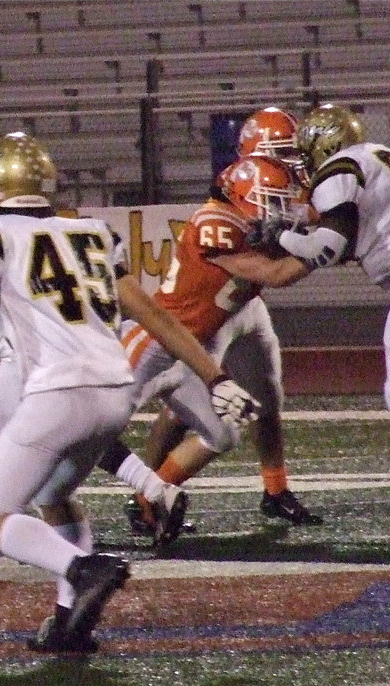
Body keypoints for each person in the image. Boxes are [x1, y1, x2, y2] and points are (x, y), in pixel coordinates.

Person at [0, 132, 259, 652]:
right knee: (55, 495)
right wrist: (215, 377)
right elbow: (154, 316)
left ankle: (82, 569)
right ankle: (68, 620)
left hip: (55, 390)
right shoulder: (89, 231)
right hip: (113, 390)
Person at [0, 143, 191, 548]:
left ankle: (69, 564)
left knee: (10, 504)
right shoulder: (63, 226)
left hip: (22, 364)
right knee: (67, 459)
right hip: (89, 362)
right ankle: (153, 490)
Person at [126, 139, 323, 534]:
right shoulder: (216, 223)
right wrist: (324, 249)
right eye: (272, 200)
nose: (280, 209)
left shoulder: (247, 217)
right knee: (90, 427)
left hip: (191, 352)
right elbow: (273, 273)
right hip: (153, 344)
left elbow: (309, 214)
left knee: (222, 433)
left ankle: (148, 501)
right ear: (246, 198)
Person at [212, 102, 390, 434]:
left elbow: (325, 250)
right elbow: (350, 225)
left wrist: (279, 235)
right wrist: (295, 219)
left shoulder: (337, 169)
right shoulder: (377, 153)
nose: (302, 161)